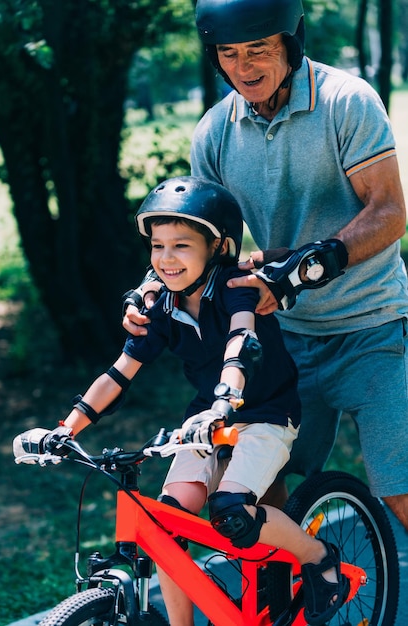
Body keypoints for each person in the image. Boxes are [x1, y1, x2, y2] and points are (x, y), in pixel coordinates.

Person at [123, 0, 408, 530]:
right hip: (283, 337)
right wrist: (148, 291)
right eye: (228, 53)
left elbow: (390, 213)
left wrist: (303, 267)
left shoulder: (346, 101)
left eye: (258, 49)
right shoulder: (215, 131)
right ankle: (281, 601)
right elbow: (196, 236)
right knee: (266, 482)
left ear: (291, 43)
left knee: (399, 488)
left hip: (371, 325)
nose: (243, 67)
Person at [14, 176, 349, 626]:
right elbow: (118, 374)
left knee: (233, 513)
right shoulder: (161, 306)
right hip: (203, 423)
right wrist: (64, 430)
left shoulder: (237, 288)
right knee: (164, 529)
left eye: (181, 246)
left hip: (265, 414)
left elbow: (242, 342)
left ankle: (319, 558)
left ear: (219, 247)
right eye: (157, 246)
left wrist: (224, 401)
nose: (166, 259)